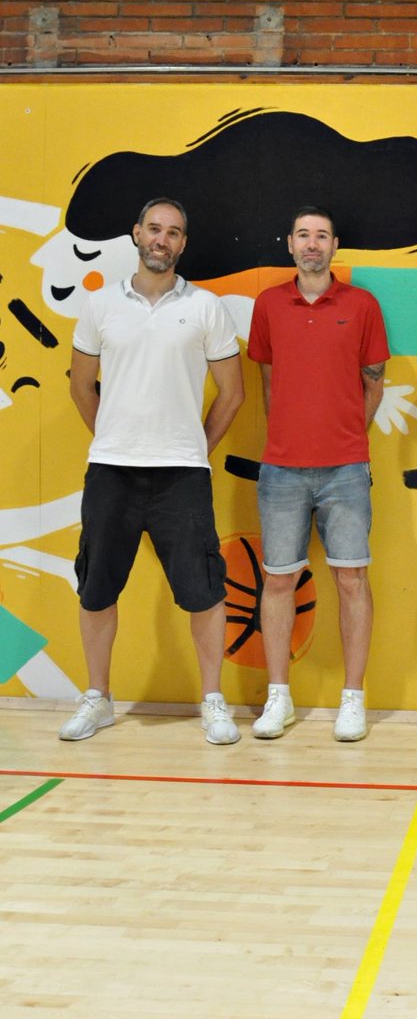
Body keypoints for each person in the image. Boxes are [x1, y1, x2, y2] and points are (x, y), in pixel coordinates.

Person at [59, 198, 245, 744]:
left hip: (182, 476)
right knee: (96, 588)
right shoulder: (99, 307)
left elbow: (232, 394)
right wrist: (114, 436)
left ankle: (213, 700)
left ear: (183, 243)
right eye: (155, 229)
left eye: (174, 233)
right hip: (111, 472)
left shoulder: (208, 307)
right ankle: (98, 698)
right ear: (137, 233)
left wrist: (195, 446)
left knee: (204, 591)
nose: (162, 239)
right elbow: (79, 384)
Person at [246, 206, 391, 742]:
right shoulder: (268, 305)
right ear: (290, 244)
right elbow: (267, 380)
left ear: (335, 246)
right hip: (281, 469)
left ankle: (352, 699)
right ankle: (278, 698)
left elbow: (373, 383)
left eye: (321, 236)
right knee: (278, 580)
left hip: (346, 470)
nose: (312, 244)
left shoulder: (362, 305)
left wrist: (346, 433)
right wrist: (293, 434)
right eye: (303, 235)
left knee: (351, 579)